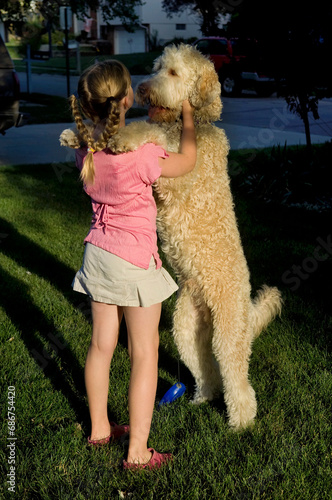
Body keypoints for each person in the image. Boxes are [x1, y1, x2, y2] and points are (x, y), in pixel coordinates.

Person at [69, 59, 196, 470]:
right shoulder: (142, 154)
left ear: (88, 106)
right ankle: (139, 452)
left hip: (97, 256)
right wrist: (189, 120)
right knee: (145, 353)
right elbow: (187, 161)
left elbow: (107, 133)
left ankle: (100, 429)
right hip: (134, 261)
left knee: (102, 346)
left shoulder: (84, 151)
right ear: (126, 100)